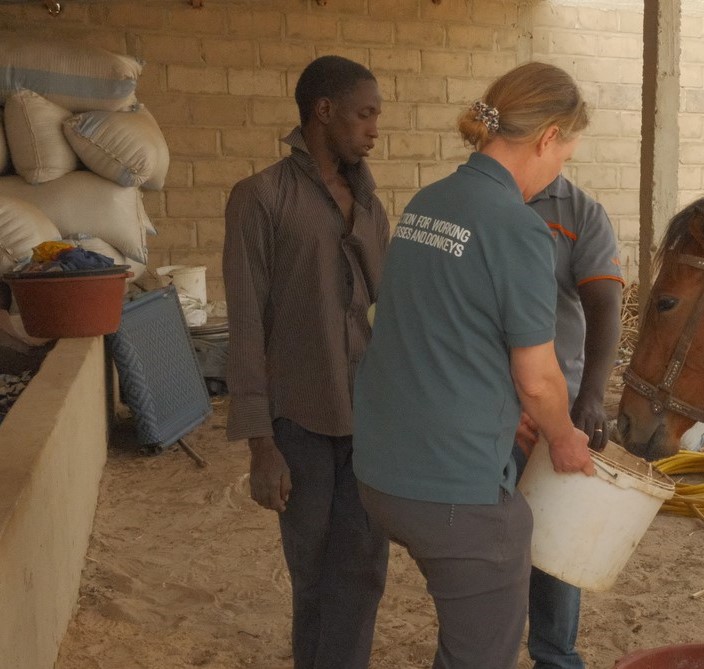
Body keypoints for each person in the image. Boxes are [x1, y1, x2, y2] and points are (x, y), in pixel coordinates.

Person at [352, 61, 595, 669]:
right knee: (483, 648)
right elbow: (539, 378)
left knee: (465, 636)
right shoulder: (518, 227)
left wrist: (500, 411)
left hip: (381, 471)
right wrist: (564, 439)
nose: (559, 172)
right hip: (454, 493)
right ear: (547, 138)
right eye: (565, 156)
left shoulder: (427, 204)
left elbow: (441, 333)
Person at [222, 55, 389, 669]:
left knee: (366, 567)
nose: (375, 129)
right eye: (364, 114)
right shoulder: (260, 199)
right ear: (324, 112)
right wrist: (260, 444)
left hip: (369, 420)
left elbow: (387, 312)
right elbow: (244, 329)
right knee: (313, 572)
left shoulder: (370, 205)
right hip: (300, 422)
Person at [516, 175, 623, 669]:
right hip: (489, 408)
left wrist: (591, 397)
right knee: (488, 547)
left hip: (554, 409)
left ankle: (555, 658)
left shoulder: (580, 212)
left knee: (554, 544)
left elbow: (604, 305)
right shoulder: (483, 197)